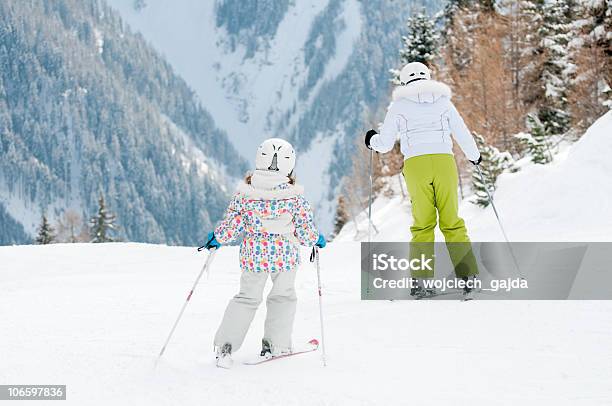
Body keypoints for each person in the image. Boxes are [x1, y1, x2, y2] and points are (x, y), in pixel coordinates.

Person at [202, 138, 326, 368]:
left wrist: (217, 238)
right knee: (282, 297)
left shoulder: (246, 193)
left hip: (253, 255)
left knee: (247, 298)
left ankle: (225, 348)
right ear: (289, 164)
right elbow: (305, 231)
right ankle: (276, 346)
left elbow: (233, 224)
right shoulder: (294, 197)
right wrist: (316, 239)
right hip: (285, 255)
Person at [364, 62, 480, 299]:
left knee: (423, 225)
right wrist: (474, 157)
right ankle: (468, 276)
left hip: (416, 165)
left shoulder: (398, 106)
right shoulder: (443, 102)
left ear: (405, 81)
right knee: (452, 221)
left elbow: (385, 144)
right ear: (428, 78)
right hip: (443, 163)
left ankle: (422, 282)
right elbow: (462, 133)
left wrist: (371, 141)